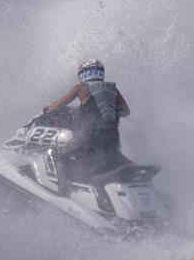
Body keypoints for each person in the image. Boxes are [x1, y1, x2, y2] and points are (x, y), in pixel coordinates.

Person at [43, 59, 130, 193]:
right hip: (112, 142)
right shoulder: (113, 90)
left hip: (90, 140)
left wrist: (48, 109)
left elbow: (58, 104)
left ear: (82, 74)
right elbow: (126, 112)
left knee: (59, 155)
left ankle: (63, 191)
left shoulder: (80, 88)